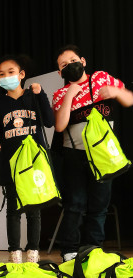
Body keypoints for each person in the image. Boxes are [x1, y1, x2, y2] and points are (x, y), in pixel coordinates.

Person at [52, 44, 133, 262]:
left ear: (83, 61)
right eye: (64, 65)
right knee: (75, 203)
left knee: (99, 205)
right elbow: (60, 126)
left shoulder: (100, 78)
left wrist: (116, 92)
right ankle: (69, 250)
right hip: (74, 155)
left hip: (103, 156)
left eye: (73, 60)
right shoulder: (59, 93)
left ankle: (93, 249)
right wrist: (70, 93)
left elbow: (129, 99)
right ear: (60, 73)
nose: (70, 65)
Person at [0, 55, 55, 263]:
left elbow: (50, 121)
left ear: (21, 74)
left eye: (11, 72)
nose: (6, 76)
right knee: (13, 209)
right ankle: (14, 253)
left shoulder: (33, 97)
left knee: (34, 210)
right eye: (2, 74)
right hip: (10, 164)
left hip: (34, 163)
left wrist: (41, 94)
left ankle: (33, 251)